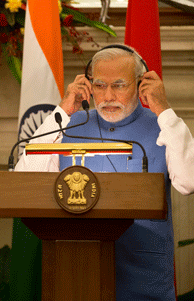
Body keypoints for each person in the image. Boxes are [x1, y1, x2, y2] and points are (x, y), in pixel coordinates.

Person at [15, 44, 194, 300]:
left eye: (119, 85)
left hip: (144, 279)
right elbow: (25, 180)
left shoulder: (162, 125)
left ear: (141, 84)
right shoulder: (70, 123)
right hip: (76, 276)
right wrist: (64, 108)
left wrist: (164, 110)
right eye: (100, 85)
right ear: (88, 86)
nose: (108, 96)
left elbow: (189, 182)